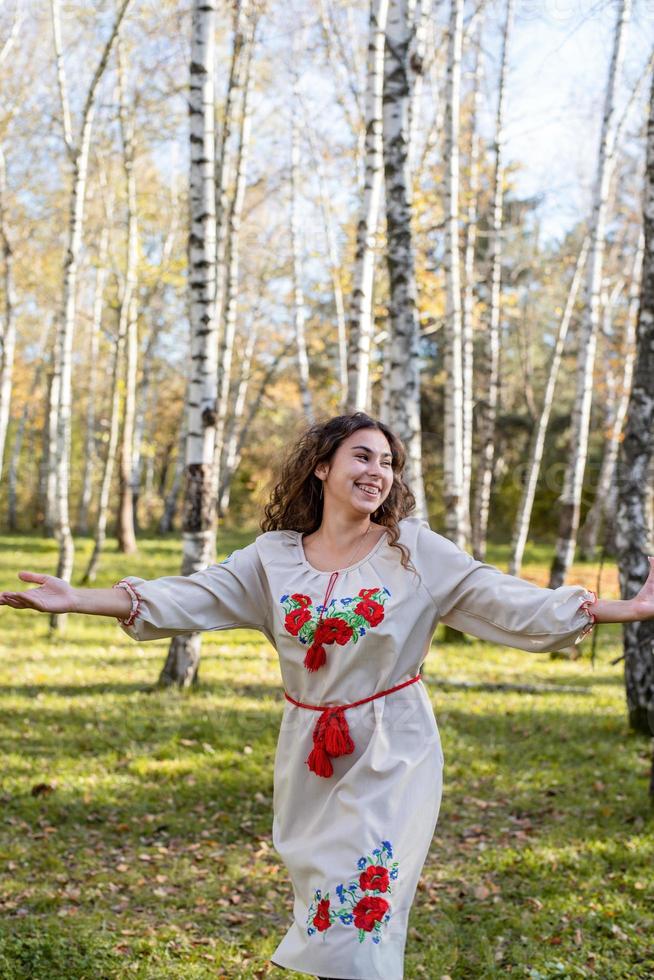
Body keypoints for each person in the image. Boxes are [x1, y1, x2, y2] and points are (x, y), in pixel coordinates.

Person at [2, 411, 653, 980]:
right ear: (320, 467)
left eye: (389, 462)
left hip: (393, 748)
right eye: (362, 456)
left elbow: (507, 599)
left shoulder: (413, 552)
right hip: (309, 753)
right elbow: (187, 596)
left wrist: (629, 609)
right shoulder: (273, 559)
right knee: (326, 910)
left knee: (364, 904)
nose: (379, 471)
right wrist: (77, 598)